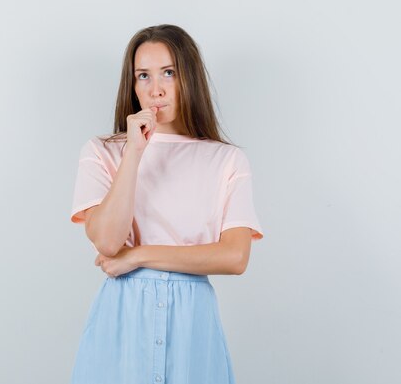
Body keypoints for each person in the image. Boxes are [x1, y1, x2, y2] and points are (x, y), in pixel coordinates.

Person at [68, 24, 265, 384]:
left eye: (169, 73)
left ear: (188, 77)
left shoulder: (226, 160)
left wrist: (138, 255)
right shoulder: (103, 152)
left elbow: (235, 258)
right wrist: (133, 155)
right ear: (132, 84)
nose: (155, 90)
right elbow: (108, 243)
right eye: (143, 75)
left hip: (193, 326)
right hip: (121, 322)